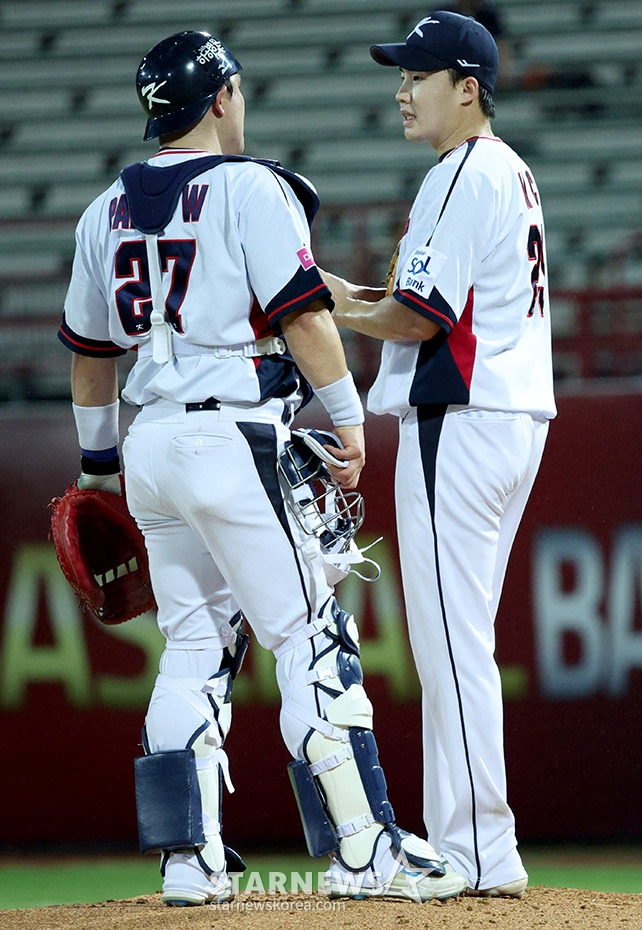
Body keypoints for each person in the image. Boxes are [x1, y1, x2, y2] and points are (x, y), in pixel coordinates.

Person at [58, 30, 468, 907]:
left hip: (150, 446)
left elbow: (92, 357)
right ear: (219, 98)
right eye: (234, 90)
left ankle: (185, 862)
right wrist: (350, 419)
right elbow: (306, 316)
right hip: (232, 432)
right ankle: (366, 854)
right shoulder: (251, 187)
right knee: (311, 636)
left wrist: (97, 470)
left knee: (192, 648)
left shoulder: (102, 212)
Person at [322, 11, 555, 898]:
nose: (400, 91)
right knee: (464, 641)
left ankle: (470, 849)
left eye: (416, 76)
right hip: (509, 418)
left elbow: (420, 318)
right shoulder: (511, 170)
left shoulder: (462, 170)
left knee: (450, 646)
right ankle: (475, 841)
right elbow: (438, 301)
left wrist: (330, 307)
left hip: (456, 420)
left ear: (467, 88)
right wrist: (358, 297)